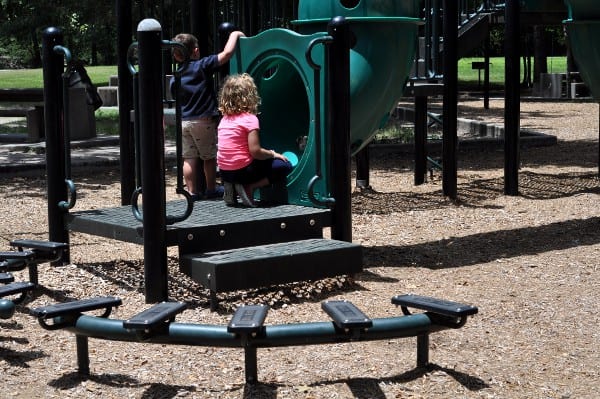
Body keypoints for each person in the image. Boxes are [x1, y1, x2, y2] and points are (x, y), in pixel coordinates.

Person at [170, 30, 245, 200]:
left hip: (184, 122)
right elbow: (226, 54)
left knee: (189, 158)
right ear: (195, 51)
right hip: (203, 121)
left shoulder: (175, 77)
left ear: (176, 56)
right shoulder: (202, 65)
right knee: (209, 157)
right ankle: (211, 188)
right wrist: (234, 34)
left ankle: (191, 192)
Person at [217, 73, 293, 207]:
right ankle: (250, 187)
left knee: (242, 163)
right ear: (249, 96)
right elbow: (255, 151)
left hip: (224, 172)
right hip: (242, 172)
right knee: (284, 165)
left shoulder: (224, 119)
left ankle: (232, 185)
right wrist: (273, 154)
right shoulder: (250, 119)